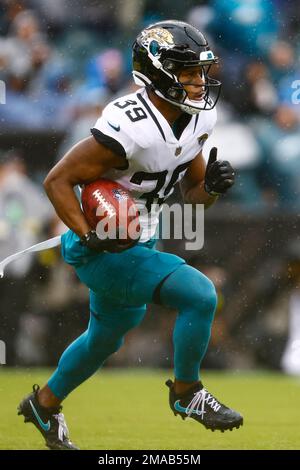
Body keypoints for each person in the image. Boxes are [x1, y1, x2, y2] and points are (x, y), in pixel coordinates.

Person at [17, 20, 242, 450]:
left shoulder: (198, 119)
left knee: (104, 339)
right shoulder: (129, 125)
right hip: (101, 245)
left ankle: (44, 406)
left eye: (200, 71)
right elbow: (57, 181)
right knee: (200, 294)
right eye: (187, 71)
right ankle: (187, 393)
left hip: (140, 235)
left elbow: (192, 201)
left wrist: (210, 187)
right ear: (157, 72)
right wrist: (87, 235)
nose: (199, 81)